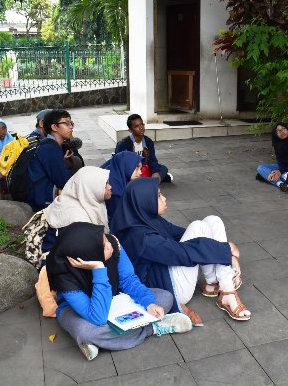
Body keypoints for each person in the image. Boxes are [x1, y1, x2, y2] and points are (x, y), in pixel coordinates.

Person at [45, 169, 192, 361]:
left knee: (164, 298)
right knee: (85, 329)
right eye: (103, 244)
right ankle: (153, 328)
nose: (110, 244)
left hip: (116, 300)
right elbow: (96, 315)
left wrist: (148, 302)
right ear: (85, 257)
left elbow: (129, 280)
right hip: (85, 310)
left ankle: (105, 342)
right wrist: (99, 269)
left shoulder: (112, 243)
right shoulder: (65, 276)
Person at [112, 178, 250, 325]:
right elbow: (182, 252)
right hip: (172, 288)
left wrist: (225, 252)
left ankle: (213, 284)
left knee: (212, 221)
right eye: (158, 196)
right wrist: (227, 250)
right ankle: (228, 292)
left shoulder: (146, 219)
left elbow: (179, 233)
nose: (164, 199)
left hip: (172, 270)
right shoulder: (140, 237)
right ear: (144, 201)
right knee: (199, 227)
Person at [25, 109, 73, 211]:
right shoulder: (51, 148)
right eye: (66, 123)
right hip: (40, 199)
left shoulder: (48, 144)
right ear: (54, 127)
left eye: (71, 123)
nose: (71, 127)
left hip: (36, 193)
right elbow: (64, 181)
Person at [115, 114, 172, 183]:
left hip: (144, 169)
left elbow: (152, 159)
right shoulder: (123, 144)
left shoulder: (148, 141)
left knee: (163, 168)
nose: (141, 128)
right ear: (130, 130)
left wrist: (155, 172)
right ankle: (155, 180)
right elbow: (118, 164)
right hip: (131, 172)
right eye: (137, 126)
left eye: (142, 124)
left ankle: (148, 181)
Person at [100, 152, 143, 223]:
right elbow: (119, 219)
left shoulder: (117, 172)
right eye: (136, 168)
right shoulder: (114, 190)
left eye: (140, 168)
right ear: (126, 166)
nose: (140, 172)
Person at [256, 122, 288, 190]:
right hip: (283, 167)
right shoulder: (277, 144)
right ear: (276, 134)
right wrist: (278, 171)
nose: (282, 131)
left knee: (284, 176)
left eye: (284, 129)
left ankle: (267, 177)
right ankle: (280, 184)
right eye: (279, 130)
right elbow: (280, 163)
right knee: (260, 167)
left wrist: (280, 171)